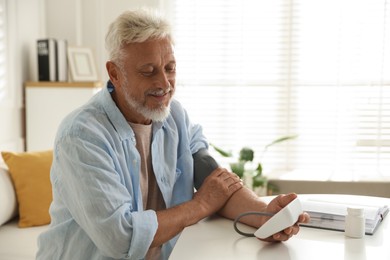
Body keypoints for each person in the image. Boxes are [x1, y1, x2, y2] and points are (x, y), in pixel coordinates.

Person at [36, 9, 309, 260]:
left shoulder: (174, 115)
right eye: (148, 71)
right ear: (115, 73)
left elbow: (213, 182)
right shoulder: (81, 136)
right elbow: (121, 237)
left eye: (170, 68)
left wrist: (264, 215)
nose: (164, 84)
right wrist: (199, 205)